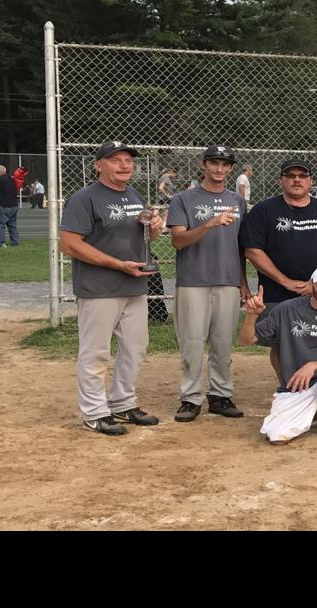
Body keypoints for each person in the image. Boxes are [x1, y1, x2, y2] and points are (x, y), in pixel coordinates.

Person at [59, 140, 165, 436]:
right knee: (95, 353)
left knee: (135, 348)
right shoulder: (84, 198)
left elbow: (147, 239)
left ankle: (122, 402)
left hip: (135, 284)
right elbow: (68, 244)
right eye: (115, 159)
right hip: (99, 286)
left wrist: (154, 226)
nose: (124, 165)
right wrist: (117, 265)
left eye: (128, 160)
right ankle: (94, 413)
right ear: (98, 165)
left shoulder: (133, 193)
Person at [167, 144, 249, 423]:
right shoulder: (183, 199)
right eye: (214, 163)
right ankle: (190, 398)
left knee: (223, 342)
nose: (219, 169)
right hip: (193, 279)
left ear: (230, 169)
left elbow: (241, 245)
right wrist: (208, 225)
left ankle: (220, 395)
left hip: (227, 279)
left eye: (225, 164)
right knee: (191, 342)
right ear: (203, 165)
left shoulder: (237, 201)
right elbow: (177, 240)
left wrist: (243, 283)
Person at [240, 266, 317, 444]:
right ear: (311, 284)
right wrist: (251, 316)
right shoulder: (287, 309)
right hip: (297, 384)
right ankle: (311, 409)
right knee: (277, 438)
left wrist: (313, 365)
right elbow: (246, 340)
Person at [239, 157, 317, 309]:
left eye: (302, 176)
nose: (297, 180)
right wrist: (286, 282)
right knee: (274, 332)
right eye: (290, 176)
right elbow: (253, 251)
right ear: (280, 181)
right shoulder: (263, 210)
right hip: (275, 296)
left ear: (311, 181)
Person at [0, 164, 20, 247]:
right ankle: (15, 242)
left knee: (0, 224)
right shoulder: (11, 179)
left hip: (3, 206)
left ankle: (1, 243)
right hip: (14, 205)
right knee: (12, 225)